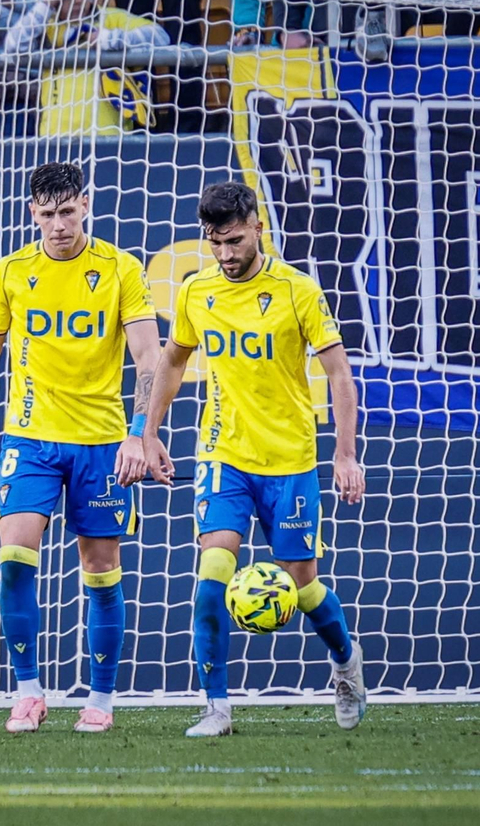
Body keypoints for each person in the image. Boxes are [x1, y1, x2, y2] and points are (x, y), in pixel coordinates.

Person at [130, 181, 367, 739]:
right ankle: (217, 707)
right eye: (215, 243)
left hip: (289, 460)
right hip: (223, 454)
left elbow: (338, 373)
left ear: (258, 226)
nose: (226, 255)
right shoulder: (196, 291)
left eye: (234, 241)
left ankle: (345, 664)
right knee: (212, 575)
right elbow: (172, 363)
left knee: (304, 586)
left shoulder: (297, 290)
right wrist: (147, 434)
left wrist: (346, 454)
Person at [0, 162, 162, 734]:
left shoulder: (120, 269)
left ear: (86, 205)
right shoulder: (10, 272)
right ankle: (28, 692)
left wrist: (138, 433)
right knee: (14, 557)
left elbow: (149, 357)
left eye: (67, 211)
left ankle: (100, 698)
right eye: (46, 215)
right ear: (32, 213)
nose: (57, 226)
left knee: (100, 570)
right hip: (30, 438)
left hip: (101, 441)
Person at [2, 0, 170, 136]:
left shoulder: (112, 18)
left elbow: (161, 37)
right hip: (55, 136)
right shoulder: (46, 25)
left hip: (110, 135)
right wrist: (45, 5)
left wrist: (109, 39)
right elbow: (13, 45)